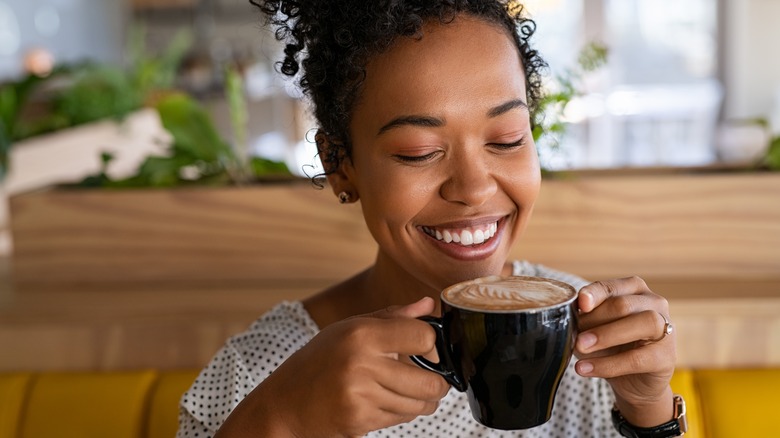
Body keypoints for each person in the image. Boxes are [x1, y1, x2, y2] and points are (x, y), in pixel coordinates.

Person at [177, 1, 680, 437]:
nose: (475, 188)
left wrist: (647, 410)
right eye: (418, 152)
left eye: (506, 140)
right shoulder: (257, 374)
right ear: (339, 165)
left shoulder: (586, 342)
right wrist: (283, 419)